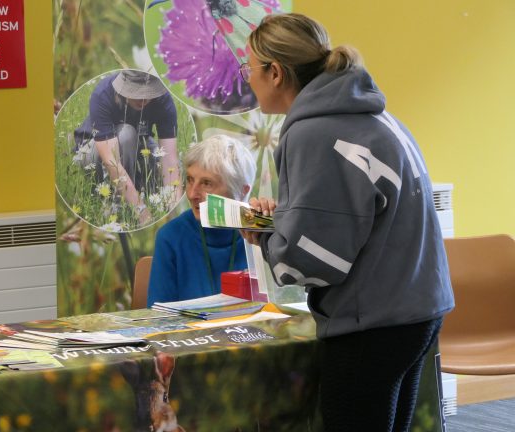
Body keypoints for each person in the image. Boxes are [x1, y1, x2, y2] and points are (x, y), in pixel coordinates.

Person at [241, 13, 455, 431]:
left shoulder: (312, 133)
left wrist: (264, 237)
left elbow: (312, 261)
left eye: (248, 68)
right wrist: (284, 218)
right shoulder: (376, 115)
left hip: (372, 322)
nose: (247, 79)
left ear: (276, 73)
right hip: (420, 308)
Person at [147, 135, 257, 306]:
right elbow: (159, 317)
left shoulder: (259, 233)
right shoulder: (171, 237)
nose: (192, 194)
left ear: (242, 191)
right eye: (190, 180)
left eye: (206, 183)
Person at [74, 69, 181, 224]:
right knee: (126, 135)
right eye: (137, 93)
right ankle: (118, 207)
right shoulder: (103, 94)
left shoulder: (163, 99)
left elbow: (169, 159)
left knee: (164, 159)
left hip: (138, 142)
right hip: (92, 151)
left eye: (148, 93)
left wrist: (176, 217)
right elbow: (112, 163)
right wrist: (143, 214)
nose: (143, 100)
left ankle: (142, 192)